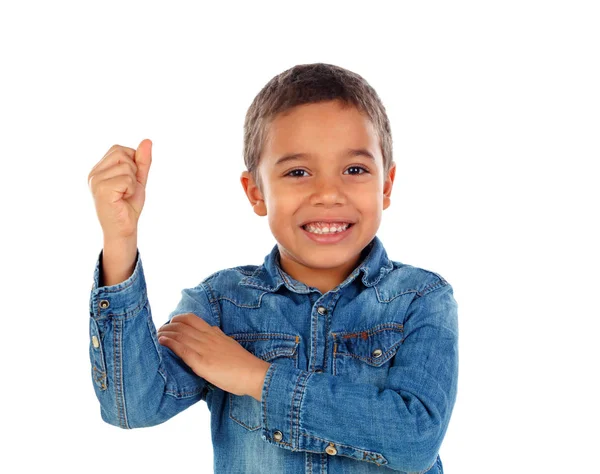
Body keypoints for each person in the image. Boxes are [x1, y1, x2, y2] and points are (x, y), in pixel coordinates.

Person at [87, 63, 458, 473]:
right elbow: (133, 406)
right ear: (256, 192)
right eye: (298, 172)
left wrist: (257, 378)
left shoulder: (421, 298)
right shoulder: (221, 304)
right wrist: (119, 241)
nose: (329, 193)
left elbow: (415, 439)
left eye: (354, 170)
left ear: (385, 186)